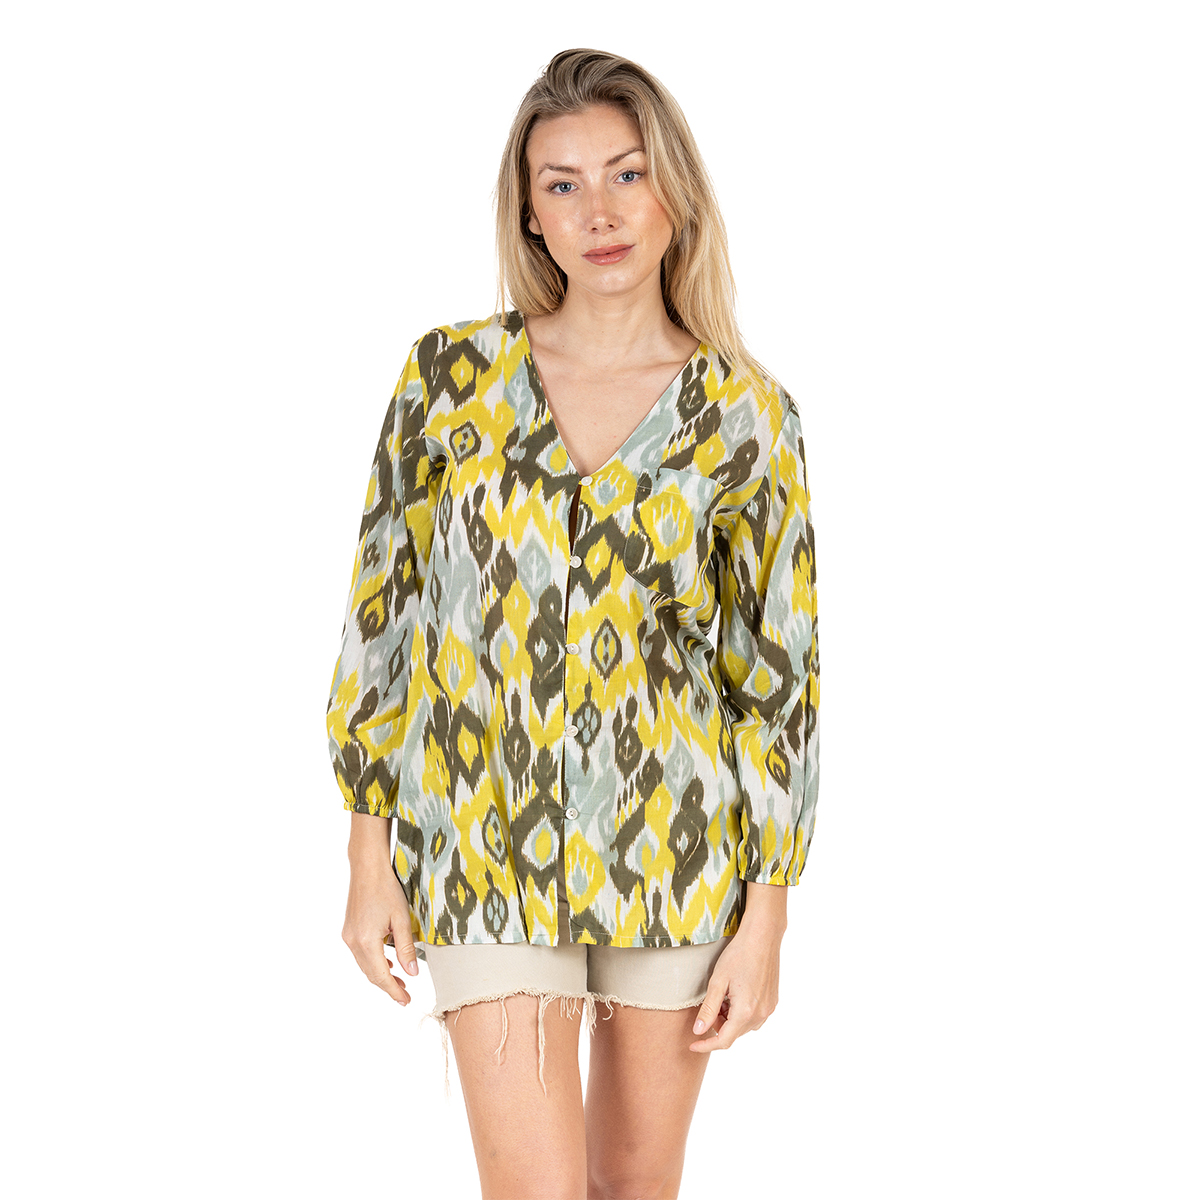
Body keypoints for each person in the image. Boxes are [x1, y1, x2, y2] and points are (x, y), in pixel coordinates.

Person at [327, 47, 819, 1200]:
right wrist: (366, 852)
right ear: (529, 213)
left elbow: (776, 679)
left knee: (633, 1192)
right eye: (562, 184)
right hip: (481, 839)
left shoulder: (748, 415)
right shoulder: (447, 380)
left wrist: (768, 919)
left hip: (675, 850)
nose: (599, 212)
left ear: (672, 192)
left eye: (626, 174)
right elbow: (382, 617)